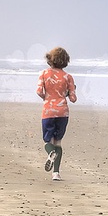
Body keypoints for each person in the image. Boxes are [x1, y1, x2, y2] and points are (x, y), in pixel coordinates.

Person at [37, 46, 77, 181]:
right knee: (58, 141)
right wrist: (68, 92)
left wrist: (46, 97)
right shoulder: (68, 77)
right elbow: (73, 98)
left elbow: (39, 91)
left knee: (47, 141)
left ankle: (50, 153)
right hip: (63, 112)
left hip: (48, 110)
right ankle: (56, 173)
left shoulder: (44, 74)